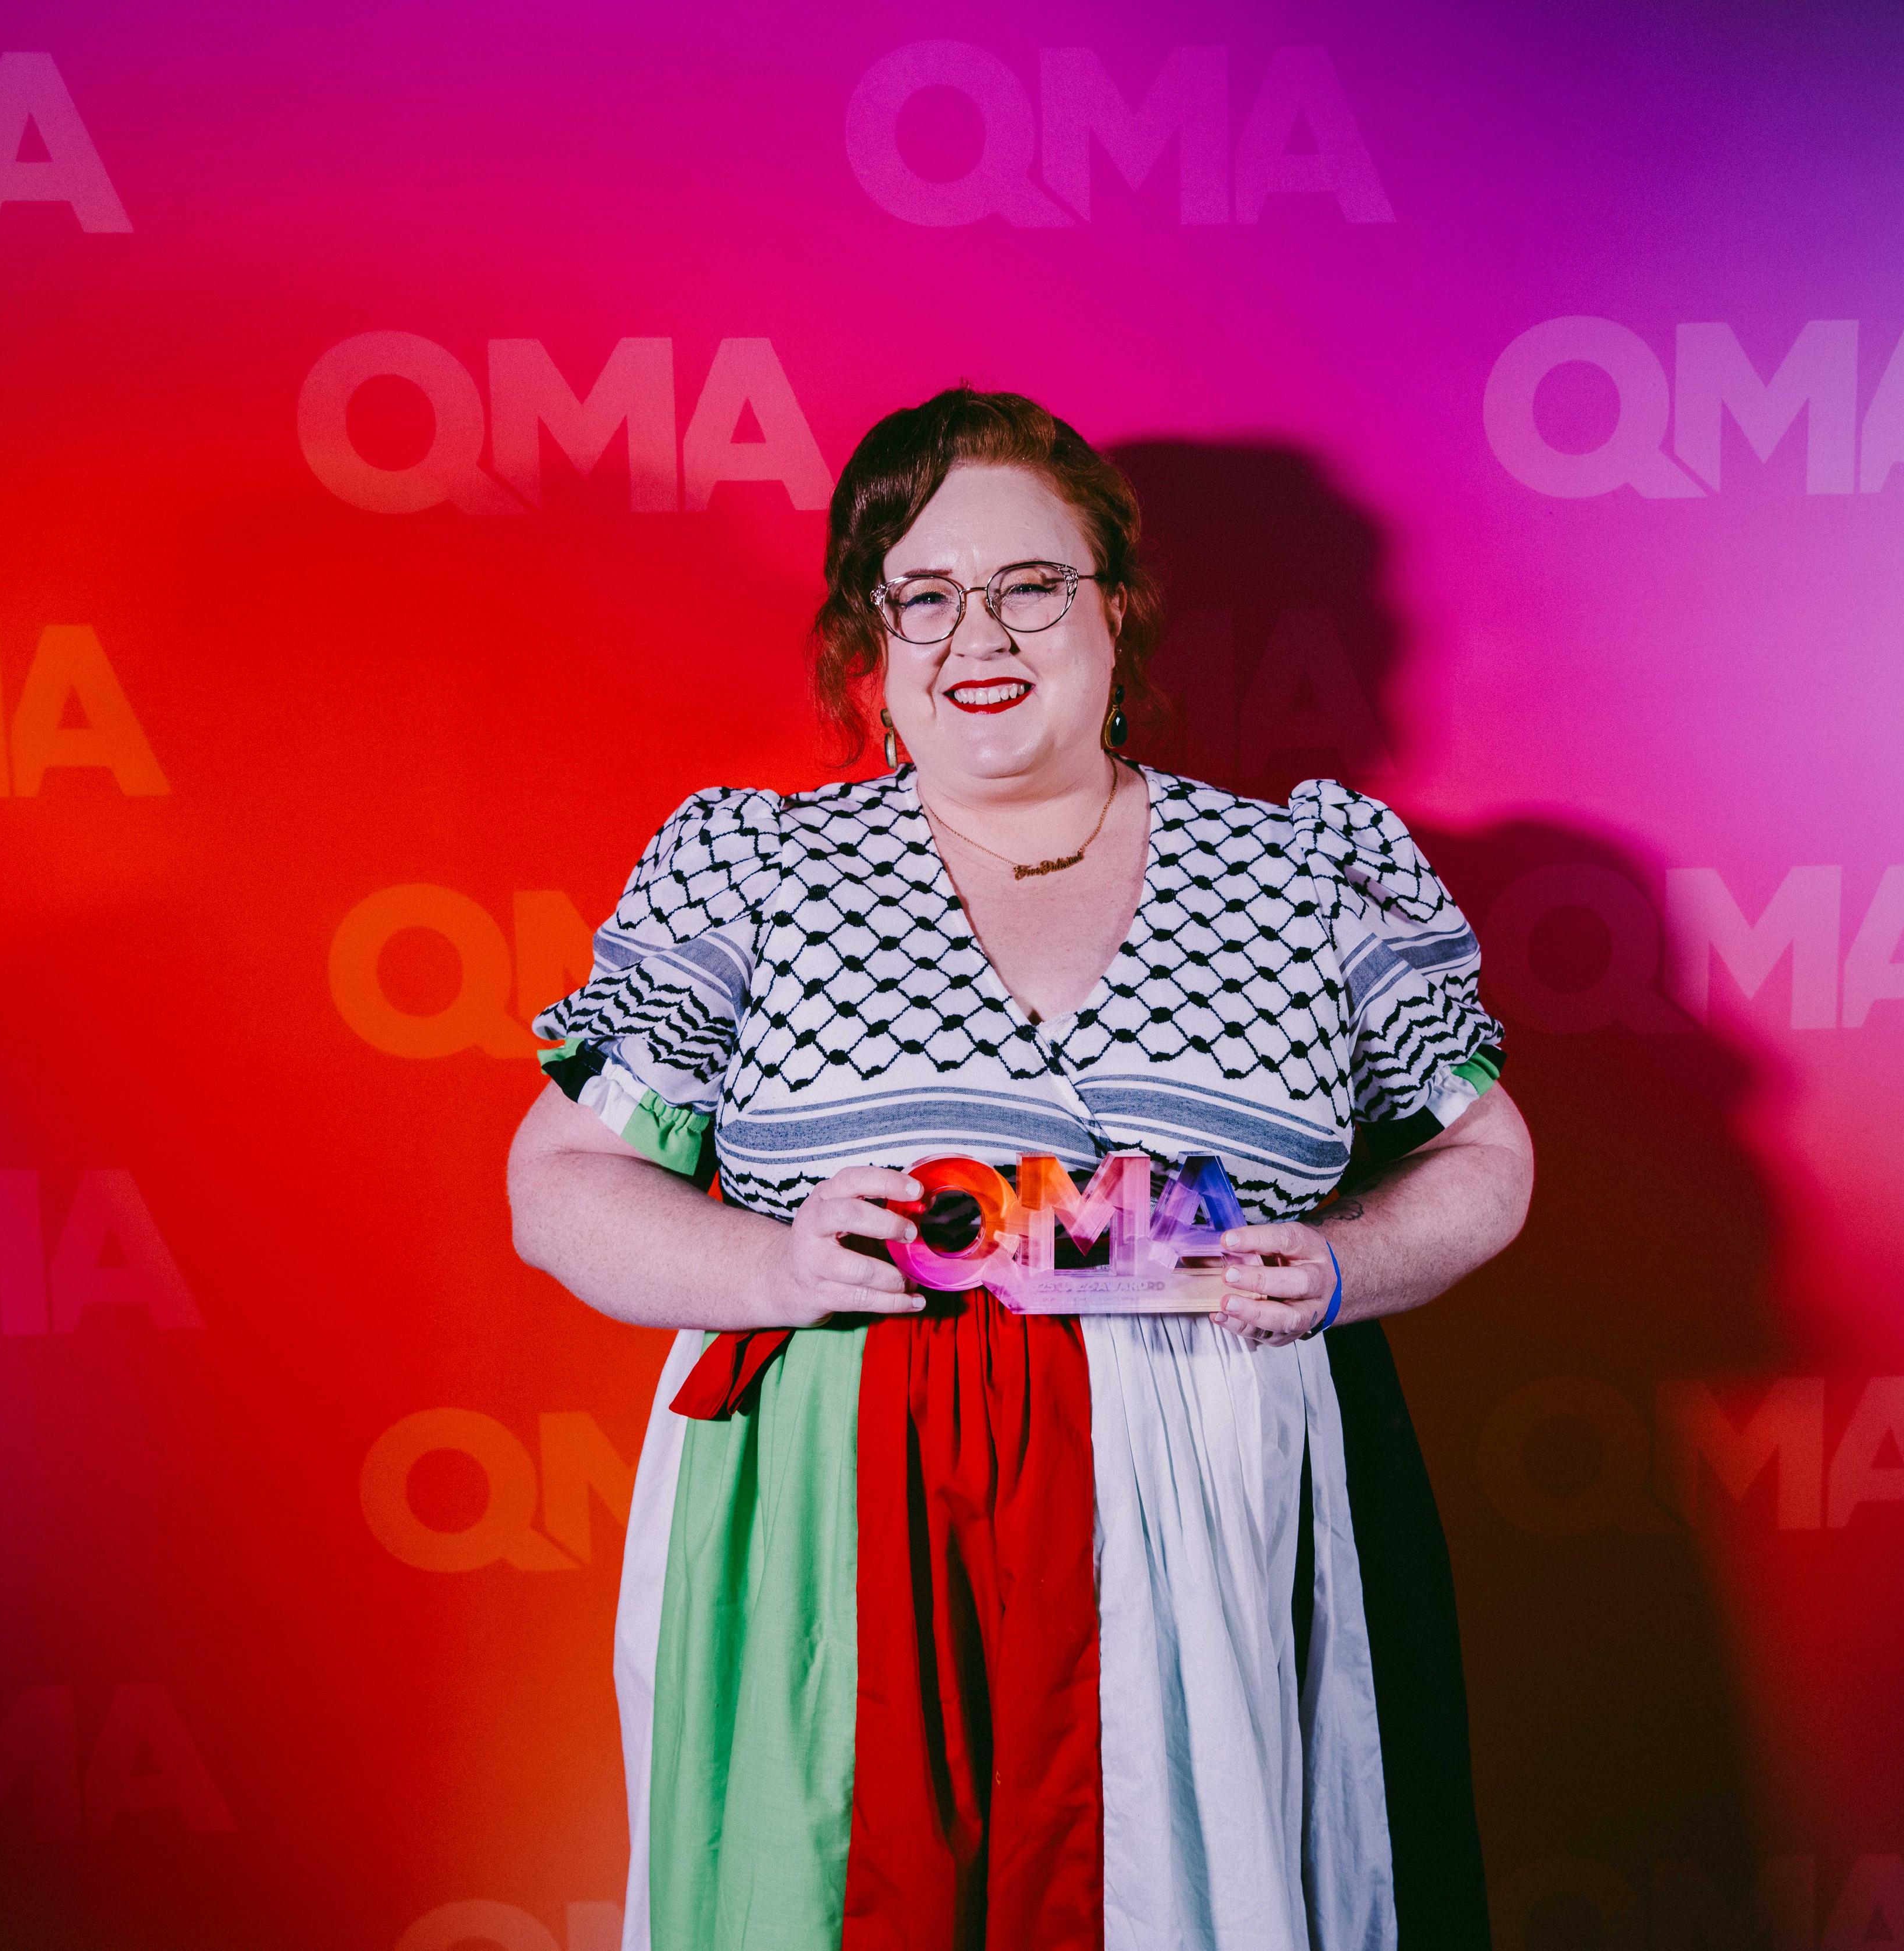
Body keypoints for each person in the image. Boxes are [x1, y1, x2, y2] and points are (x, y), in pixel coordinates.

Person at [506, 386, 1533, 1951]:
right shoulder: (753, 869)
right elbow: (561, 1181)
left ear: (1116, 608)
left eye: (1031, 585)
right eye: (922, 595)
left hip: (1212, 1511)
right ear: (871, 637)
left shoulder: (1303, 869)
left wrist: (1344, 1267)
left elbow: (1484, 1153)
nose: (976, 635)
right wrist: (769, 1263)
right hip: (836, 1533)